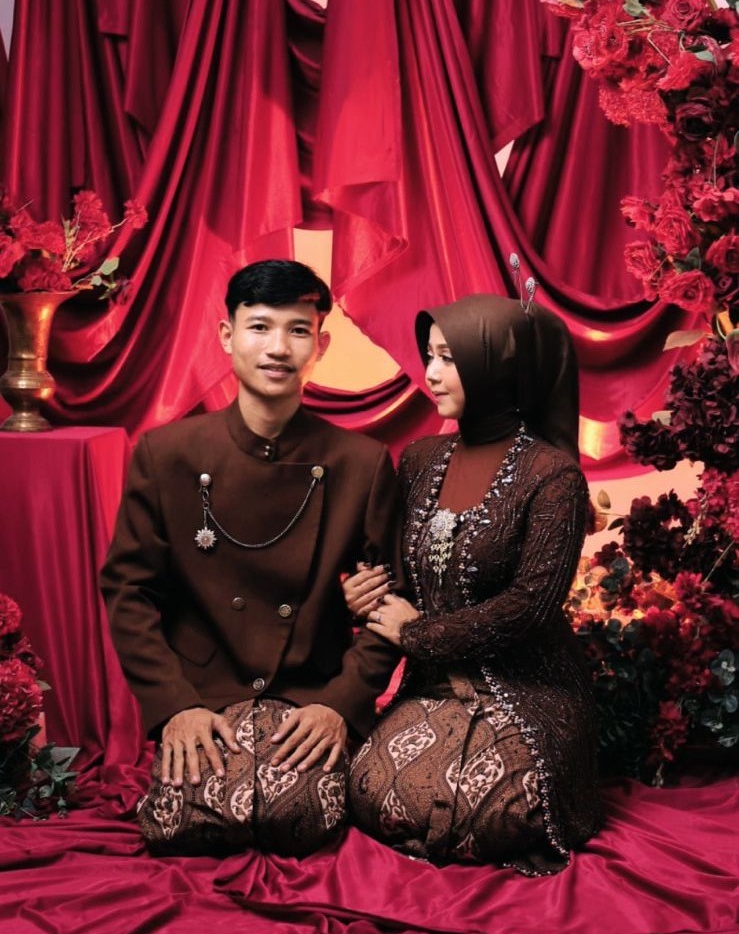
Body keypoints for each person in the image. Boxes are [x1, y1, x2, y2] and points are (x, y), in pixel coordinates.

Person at [101, 259, 404, 858]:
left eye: (298, 330)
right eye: (260, 327)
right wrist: (174, 706)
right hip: (203, 692)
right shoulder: (166, 454)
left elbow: (392, 605)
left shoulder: (362, 463)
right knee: (189, 825)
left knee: (300, 821)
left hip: (309, 692)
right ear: (227, 336)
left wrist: (340, 703)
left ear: (320, 346)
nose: (278, 348)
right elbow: (128, 592)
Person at [343, 294, 602, 874]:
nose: (431, 374)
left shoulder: (553, 475)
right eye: (429, 356)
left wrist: (420, 635)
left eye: (449, 358)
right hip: (434, 687)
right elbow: (393, 571)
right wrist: (360, 594)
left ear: (497, 366)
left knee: (493, 812)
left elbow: (532, 605)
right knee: (370, 788)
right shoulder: (419, 459)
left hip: (529, 689)